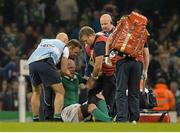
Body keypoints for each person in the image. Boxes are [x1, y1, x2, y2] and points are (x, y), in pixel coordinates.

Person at [28, 32, 81, 121]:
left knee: (36, 92)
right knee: (60, 91)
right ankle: (57, 119)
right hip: (46, 62)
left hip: (32, 63)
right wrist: (71, 76)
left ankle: (35, 119)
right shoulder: (65, 47)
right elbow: (64, 70)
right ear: (66, 41)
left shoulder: (44, 42)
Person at [79, 26, 118, 117]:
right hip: (102, 74)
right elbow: (89, 65)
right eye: (84, 42)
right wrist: (86, 79)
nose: (86, 43)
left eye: (86, 40)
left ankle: (109, 118)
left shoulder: (100, 43)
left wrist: (92, 78)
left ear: (92, 36)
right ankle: (93, 114)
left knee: (108, 98)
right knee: (92, 93)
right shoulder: (89, 47)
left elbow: (98, 65)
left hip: (111, 73)